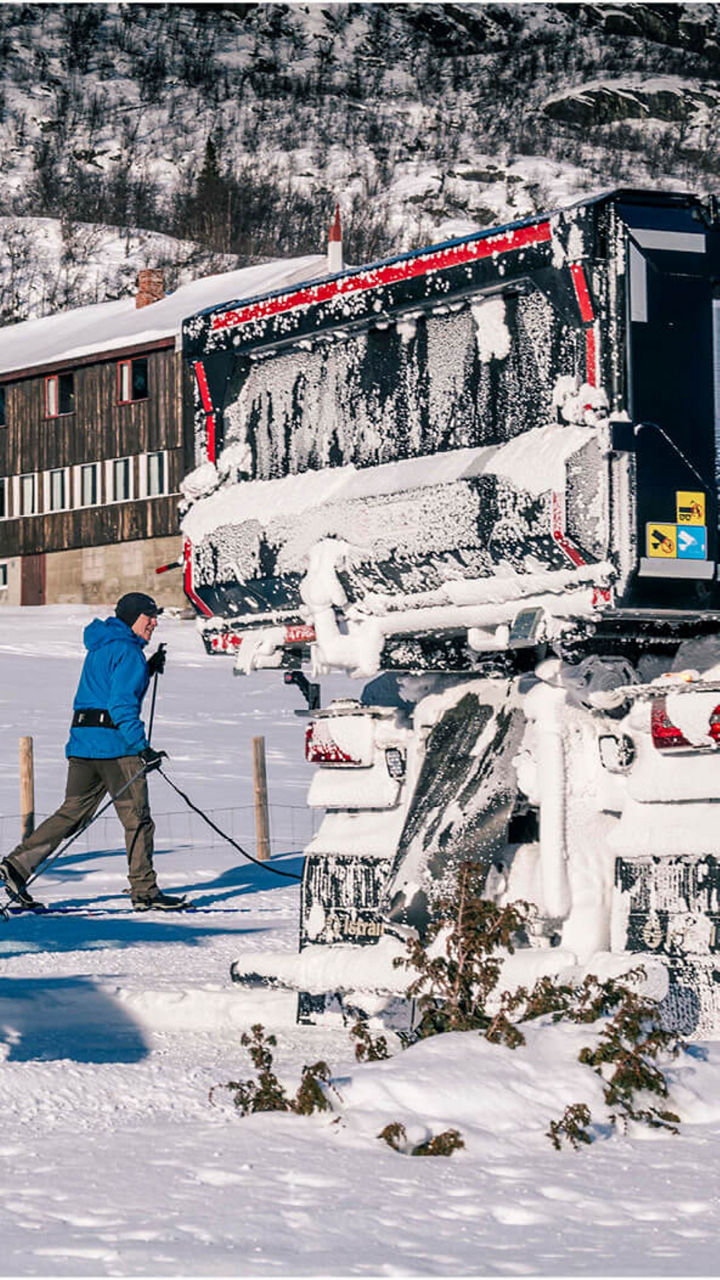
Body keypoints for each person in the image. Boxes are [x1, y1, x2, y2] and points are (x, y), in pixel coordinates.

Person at [1, 592, 188, 912]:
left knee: (71, 813)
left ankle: (17, 865)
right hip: (117, 750)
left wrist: (146, 669)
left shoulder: (101, 646)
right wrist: (142, 748)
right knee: (137, 820)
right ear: (133, 618)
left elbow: (105, 689)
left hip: (83, 745)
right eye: (149, 617)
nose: (154, 623)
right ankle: (145, 891)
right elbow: (120, 705)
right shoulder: (129, 652)